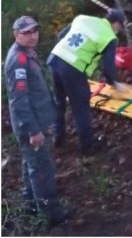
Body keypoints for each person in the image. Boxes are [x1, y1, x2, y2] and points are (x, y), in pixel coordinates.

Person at [4, 16, 73, 227]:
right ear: (16, 35)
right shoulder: (18, 61)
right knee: (42, 168)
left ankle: (31, 203)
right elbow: (19, 101)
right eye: (26, 32)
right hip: (31, 126)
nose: (32, 35)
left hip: (37, 121)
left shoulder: (27, 53)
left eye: (35, 31)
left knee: (30, 165)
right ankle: (51, 214)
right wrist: (33, 131)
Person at [48, 9, 127, 154]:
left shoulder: (83, 18)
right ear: (116, 24)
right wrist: (115, 84)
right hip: (73, 68)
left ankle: (58, 136)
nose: (119, 30)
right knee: (81, 108)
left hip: (55, 59)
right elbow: (108, 68)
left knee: (59, 101)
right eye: (120, 27)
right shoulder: (109, 37)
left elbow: (61, 35)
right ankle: (88, 146)